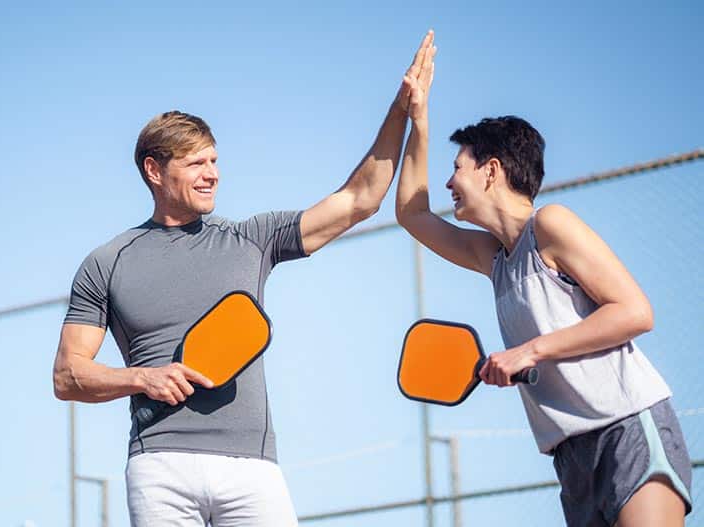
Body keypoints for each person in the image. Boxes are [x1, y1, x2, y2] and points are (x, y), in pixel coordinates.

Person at [52, 31, 436, 527]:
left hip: (252, 470)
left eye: (214, 161)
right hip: (159, 466)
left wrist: (403, 109)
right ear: (154, 170)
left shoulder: (251, 239)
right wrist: (141, 378)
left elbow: (361, 198)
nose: (211, 174)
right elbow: (67, 375)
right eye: (195, 164)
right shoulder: (107, 261)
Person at [395, 68, 692, 525]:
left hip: (627, 429)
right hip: (570, 457)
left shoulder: (550, 224)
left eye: (457, 169)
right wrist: (419, 119)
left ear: (491, 171)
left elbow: (635, 311)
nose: (449, 184)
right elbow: (412, 214)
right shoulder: (492, 256)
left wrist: (529, 352)